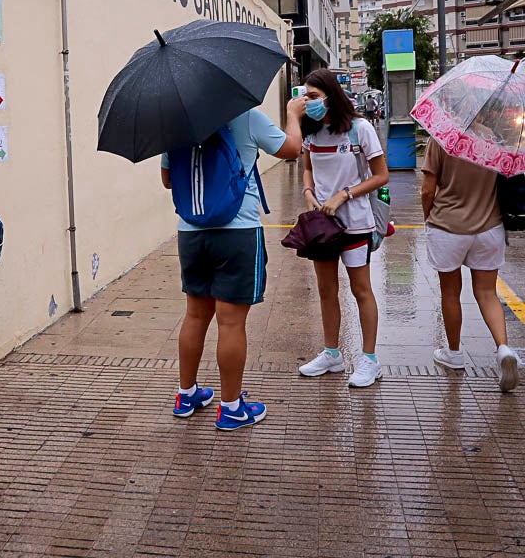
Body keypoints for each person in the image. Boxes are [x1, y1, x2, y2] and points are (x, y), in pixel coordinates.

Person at [161, 97, 305, 431]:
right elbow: (291, 150)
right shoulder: (246, 117)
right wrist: (292, 115)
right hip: (237, 231)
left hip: (190, 232)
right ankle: (231, 407)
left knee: (195, 314)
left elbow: (169, 180)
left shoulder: (174, 124)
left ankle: (186, 395)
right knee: (230, 323)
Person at [297, 68, 389, 388]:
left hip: (355, 224)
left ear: (330, 96)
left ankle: (369, 360)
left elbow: (381, 176)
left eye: (313, 97)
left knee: (360, 289)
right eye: (304, 96)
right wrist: (308, 192)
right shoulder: (309, 133)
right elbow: (307, 169)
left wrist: (343, 195)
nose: (308, 102)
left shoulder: (359, 129)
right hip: (322, 226)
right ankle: (332, 353)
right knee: (326, 290)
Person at [421, 139, 519, 391]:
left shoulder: (443, 140)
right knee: (487, 294)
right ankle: (503, 348)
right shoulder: (496, 140)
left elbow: (427, 191)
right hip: (489, 227)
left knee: (451, 293)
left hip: (448, 227)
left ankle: (453, 353)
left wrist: (428, 218)